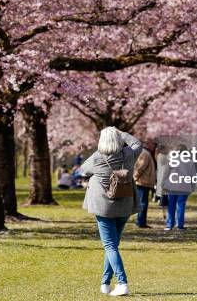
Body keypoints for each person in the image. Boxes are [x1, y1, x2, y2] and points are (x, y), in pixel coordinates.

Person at [80, 127, 142, 296]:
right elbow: (137, 143)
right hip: (124, 205)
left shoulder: (98, 157)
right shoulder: (129, 154)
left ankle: (122, 283)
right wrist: (121, 133)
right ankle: (105, 282)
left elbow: (82, 170)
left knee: (109, 246)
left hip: (103, 207)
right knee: (112, 246)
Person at [162, 144, 196, 231]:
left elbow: (166, 173)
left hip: (172, 186)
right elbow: (193, 175)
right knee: (181, 205)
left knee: (171, 205)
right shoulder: (190, 161)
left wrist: (163, 184)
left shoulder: (172, 160)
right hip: (185, 186)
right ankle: (180, 225)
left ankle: (169, 224)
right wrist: (193, 186)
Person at [133, 141, 156, 228]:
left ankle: (141, 221)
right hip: (143, 182)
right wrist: (135, 178)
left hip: (144, 182)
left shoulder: (144, 153)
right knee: (143, 203)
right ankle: (141, 222)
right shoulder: (144, 154)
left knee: (143, 202)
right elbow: (140, 168)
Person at [155, 144, 169, 222]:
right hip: (164, 180)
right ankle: (166, 214)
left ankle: (165, 214)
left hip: (161, 179)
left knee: (164, 200)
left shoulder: (158, 156)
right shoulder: (162, 156)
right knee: (165, 200)